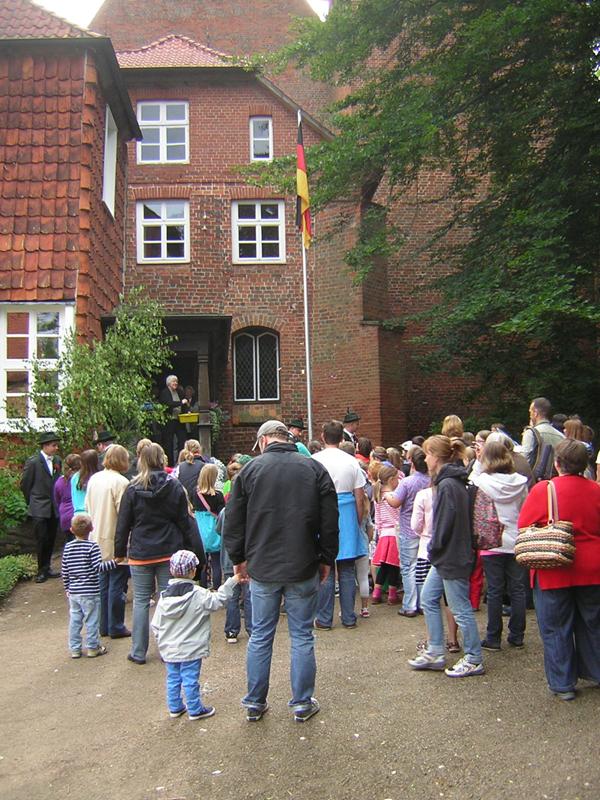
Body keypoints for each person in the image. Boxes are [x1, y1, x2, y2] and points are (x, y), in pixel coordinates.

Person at [224, 419, 339, 723]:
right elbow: (330, 520)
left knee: (261, 635)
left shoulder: (250, 471)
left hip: (262, 565)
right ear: (287, 438)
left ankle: (255, 702)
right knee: (302, 635)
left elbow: (234, 521)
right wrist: (327, 558)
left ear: (263, 441)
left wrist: (238, 558)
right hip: (303, 562)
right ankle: (301, 703)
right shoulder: (313, 469)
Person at [518, 439, 600, 701]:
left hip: (554, 568)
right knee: (593, 623)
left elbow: (524, 524)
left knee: (555, 627)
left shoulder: (544, 490)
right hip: (593, 568)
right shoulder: (596, 490)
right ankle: (596, 671)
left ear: (557, 463)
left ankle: (563, 683)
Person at [114, 443, 203, 665]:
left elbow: (123, 523)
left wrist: (119, 551)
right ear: (162, 459)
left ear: (141, 460)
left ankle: (138, 651)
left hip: (141, 552)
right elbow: (184, 521)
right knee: (168, 600)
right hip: (168, 550)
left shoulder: (132, 488)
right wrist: (192, 549)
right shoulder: (174, 486)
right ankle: (168, 649)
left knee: (141, 601)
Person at [408, 435, 484, 677]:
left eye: (428, 454)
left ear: (437, 456)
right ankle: (435, 651)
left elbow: (444, 524)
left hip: (451, 555)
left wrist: (435, 547)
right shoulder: (453, 482)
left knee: (459, 607)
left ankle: (473, 658)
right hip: (450, 554)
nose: (425, 459)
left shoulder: (447, 485)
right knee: (429, 598)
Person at [151, 550, 239, 720]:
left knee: (173, 678)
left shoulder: (164, 597)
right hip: (191, 647)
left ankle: (175, 707)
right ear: (193, 571)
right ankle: (195, 708)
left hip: (169, 648)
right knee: (190, 678)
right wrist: (232, 581)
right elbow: (218, 600)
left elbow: (156, 625)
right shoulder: (198, 594)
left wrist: (161, 642)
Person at [470, 441, 528, 649]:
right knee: (518, 589)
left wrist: (477, 462)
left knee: (494, 590)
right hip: (515, 538)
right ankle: (517, 635)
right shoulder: (520, 482)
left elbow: (471, 484)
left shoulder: (481, 482)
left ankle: (493, 637)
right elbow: (525, 510)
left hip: (491, 541)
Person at [312, 420, 367, 629]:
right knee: (347, 569)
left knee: (325, 567)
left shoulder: (315, 460)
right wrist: (357, 521)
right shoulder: (351, 461)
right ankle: (349, 617)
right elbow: (360, 496)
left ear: (323, 437)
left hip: (322, 513)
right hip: (347, 512)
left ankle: (324, 618)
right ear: (342, 438)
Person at [85, 444, 131, 640]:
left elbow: (87, 506)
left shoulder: (94, 479)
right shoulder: (121, 482)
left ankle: (103, 625)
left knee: (102, 584)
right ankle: (115, 625)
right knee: (117, 584)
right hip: (114, 539)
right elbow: (125, 514)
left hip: (95, 537)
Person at [61, 513, 117, 658]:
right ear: (91, 529)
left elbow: (65, 570)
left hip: (74, 591)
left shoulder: (68, 547)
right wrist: (114, 562)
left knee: (75, 620)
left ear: (71, 530)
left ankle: (75, 649)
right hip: (90, 590)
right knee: (92, 620)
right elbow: (98, 567)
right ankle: (93, 647)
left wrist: (67, 587)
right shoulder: (92, 546)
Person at [387, 446, 431, 617]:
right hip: (427, 531)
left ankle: (410, 605)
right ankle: (423, 603)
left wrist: (387, 495)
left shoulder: (407, 482)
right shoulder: (431, 482)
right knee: (423, 568)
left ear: (412, 463)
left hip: (408, 528)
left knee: (408, 567)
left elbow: (396, 502)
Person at [20, 431, 62, 583]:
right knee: (41, 538)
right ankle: (41, 570)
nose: (56, 448)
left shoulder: (57, 460)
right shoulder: (34, 462)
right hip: (39, 506)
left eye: (56, 445)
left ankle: (47, 567)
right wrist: (31, 501)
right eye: (53, 445)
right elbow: (25, 484)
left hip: (53, 506)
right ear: (45, 446)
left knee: (51, 538)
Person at [370, 465, 401, 606]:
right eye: (397, 479)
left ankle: (376, 593)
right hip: (394, 533)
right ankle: (392, 595)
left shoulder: (378, 496)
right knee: (394, 566)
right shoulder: (393, 497)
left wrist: (379, 532)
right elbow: (398, 515)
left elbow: (377, 518)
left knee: (383, 566)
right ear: (391, 479)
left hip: (383, 534)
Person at [193, 463, 225, 588]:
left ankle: (203, 587)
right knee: (216, 563)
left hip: (200, 532)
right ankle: (216, 588)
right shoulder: (218, 495)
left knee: (202, 563)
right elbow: (222, 514)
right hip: (214, 532)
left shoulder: (195, 494)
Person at [521, 396, 564, 480]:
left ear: (535, 413)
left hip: (535, 482)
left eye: (530, 412)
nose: (530, 415)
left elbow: (524, 461)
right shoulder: (561, 436)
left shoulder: (531, 433)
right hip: (555, 482)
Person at [159, 375, 189, 466]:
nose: (175, 383)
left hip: (179, 419)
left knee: (182, 439)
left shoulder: (179, 392)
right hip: (170, 420)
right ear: (168, 383)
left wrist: (187, 411)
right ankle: (170, 463)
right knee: (169, 442)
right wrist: (181, 402)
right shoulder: (165, 392)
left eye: (176, 381)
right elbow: (169, 404)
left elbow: (185, 402)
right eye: (173, 381)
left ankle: (182, 461)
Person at [53, 453, 81, 544]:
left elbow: (57, 500)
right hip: (78, 516)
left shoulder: (59, 482)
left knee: (70, 543)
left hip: (65, 517)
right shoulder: (81, 480)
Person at [70, 449, 100, 514]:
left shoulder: (75, 477)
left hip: (77, 513)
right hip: (92, 514)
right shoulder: (97, 478)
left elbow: (73, 496)